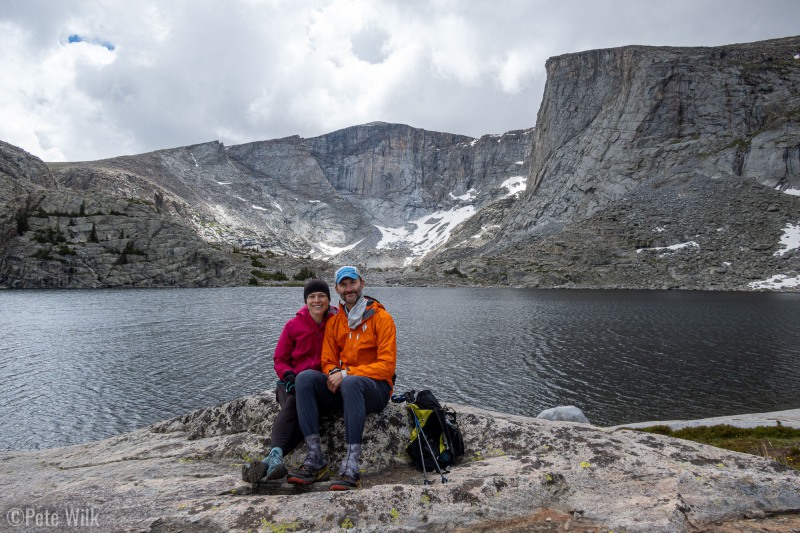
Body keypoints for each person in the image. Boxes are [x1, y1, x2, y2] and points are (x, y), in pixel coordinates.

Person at [286, 265, 397, 490]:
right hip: (347, 389)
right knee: (305, 378)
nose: (349, 289)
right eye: (343, 285)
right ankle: (316, 459)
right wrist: (333, 373)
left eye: (352, 283)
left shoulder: (382, 318)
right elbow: (327, 360)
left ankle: (351, 466)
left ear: (362, 284)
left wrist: (346, 373)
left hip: (375, 390)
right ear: (337, 288)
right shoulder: (335, 322)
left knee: (352, 381)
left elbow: (387, 367)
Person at [241, 279, 337, 483]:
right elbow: (280, 359)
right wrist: (288, 376)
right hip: (291, 383)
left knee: (307, 411)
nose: (317, 300)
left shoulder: (337, 321)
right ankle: (274, 457)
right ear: (306, 300)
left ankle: (271, 460)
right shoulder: (293, 325)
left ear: (329, 299)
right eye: (312, 297)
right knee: (295, 404)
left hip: (317, 385)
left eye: (321, 296)